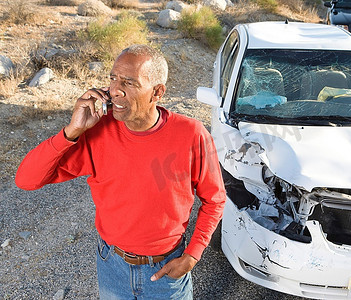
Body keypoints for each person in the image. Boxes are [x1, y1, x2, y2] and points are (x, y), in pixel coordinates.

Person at [15, 44, 226, 299]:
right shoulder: (95, 133)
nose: (115, 90)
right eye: (113, 78)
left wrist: (193, 254)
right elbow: (26, 180)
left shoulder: (192, 134)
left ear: (157, 92)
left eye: (129, 82)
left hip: (166, 272)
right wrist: (71, 130)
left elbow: (214, 199)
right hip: (111, 267)